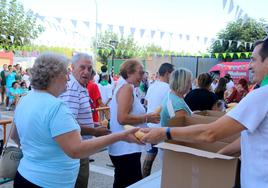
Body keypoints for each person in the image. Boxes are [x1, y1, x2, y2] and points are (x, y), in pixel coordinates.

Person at [141, 38, 268, 187]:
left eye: (253, 60)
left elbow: (210, 133)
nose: (250, 66)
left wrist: (165, 132)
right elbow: (249, 138)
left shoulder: (261, 95)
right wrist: (219, 154)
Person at [11, 52, 141, 188]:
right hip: (49, 182)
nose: (68, 78)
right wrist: (120, 136)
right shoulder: (56, 107)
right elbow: (76, 150)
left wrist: (37, 151)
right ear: (54, 76)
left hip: (24, 176)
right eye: (65, 73)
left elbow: (15, 136)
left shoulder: (25, 99)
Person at [59, 53, 110, 188]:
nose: (86, 72)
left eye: (89, 68)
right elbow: (69, 126)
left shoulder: (82, 87)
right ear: (72, 68)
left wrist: (95, 124)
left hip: (81, 149)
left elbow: (77, 119)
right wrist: (94, 130)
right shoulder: (72, 89)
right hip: (76, 152)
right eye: (82, 67)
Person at [108, 59, 160, 188]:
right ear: (129, 72)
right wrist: (147, 118)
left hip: (124, 147)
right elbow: (122, 118)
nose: (142, 77)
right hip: (125, 148)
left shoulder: (125, 86)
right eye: (140, 73)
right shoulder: (126, 88)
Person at [142, 62, 174, 177]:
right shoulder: (169, 88)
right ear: (167, 73)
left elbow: (146, 102)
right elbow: (171, 109)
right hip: (161, 127)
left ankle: (143, 182)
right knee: (166, 161)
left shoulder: (152, 85)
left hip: (150, 126)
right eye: (172, 74)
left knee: (149, 156)